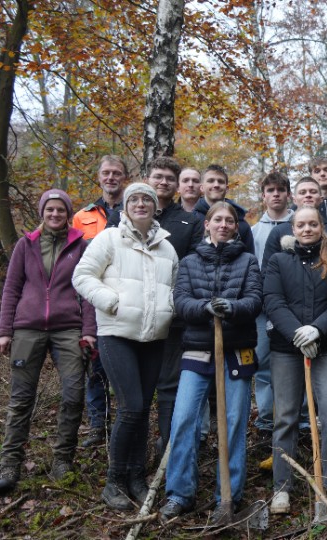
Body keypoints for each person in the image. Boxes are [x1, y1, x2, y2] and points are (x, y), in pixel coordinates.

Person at [72, 182, 178, 510]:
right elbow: (83, 276)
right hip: (117, 334)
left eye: (147, 199)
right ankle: (114, 480)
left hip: (154, 338)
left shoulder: (167, 248)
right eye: (135, 199)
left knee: (143, 409)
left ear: (155, 207)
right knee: (131, 406)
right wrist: (111, 301)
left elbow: (174, 289)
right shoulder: (109, 238)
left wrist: (167, 311)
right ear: (127, 206)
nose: (141, 204)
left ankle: (136, 476)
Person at [159, 202, 263, 522]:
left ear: (235, 227)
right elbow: (181, 302)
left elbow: (255, 300)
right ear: (207, 224)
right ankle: (180, 492)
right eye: (217, 219)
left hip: (236, 352)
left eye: (229, 221)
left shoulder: (247, 261)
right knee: (184, 420)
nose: (223, 224)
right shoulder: (189, 262)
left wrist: (232, 308)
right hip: (198, 351)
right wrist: (205, 307)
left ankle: (228, 497)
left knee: (232, 424)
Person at [0, 190, 96, 496]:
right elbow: (12, 288)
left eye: (60, 210)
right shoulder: (26, 245)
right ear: (42, 212)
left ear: (68, 213)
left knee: (74, 394)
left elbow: (88, 291)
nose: (54, 214)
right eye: (49, 210)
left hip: (69, 329)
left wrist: (89, 330)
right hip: (28, 329)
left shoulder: (81, 245)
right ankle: (9, 463)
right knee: (21, 398)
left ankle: (63, 459)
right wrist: (4, 330)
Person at [106, 157, 203, 454]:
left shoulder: (191, 221)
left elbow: (194, 265)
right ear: (148, 178)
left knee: (168, 387)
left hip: (172, 321)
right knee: (133, 398)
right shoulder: (120, 220)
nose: (163, 183)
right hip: (128, 321)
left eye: (169, 179)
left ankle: (167, 453)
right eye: (158, 177)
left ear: (177, 184)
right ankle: (131, 459)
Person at [264, 206, 327, 514]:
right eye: (301, 224)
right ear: (293, 228)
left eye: (312, 224)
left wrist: (316, 330)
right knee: (286, 417)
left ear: (321, 226)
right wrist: (297, 334)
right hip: (286, 351)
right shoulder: (278, 261)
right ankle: (282, 487)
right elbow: (273, 301)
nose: (307, 229)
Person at [73, 155, 128, 448]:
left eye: (116, 173)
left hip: (124, 294)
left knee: (122, 365)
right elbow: (76, 262)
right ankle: (98, 425)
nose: (111, 178)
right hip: (92, 297)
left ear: (124, 177)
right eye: (106, 173)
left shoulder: (133, 210)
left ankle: (124, 422)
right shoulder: (83, 216)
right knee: (94, 366)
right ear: (99, 177)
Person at [251, 171, 294, 443]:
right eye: (270, 190)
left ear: (288, 193)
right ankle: (267, 420)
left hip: (294, 306)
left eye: (280, 189)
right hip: (262, 307)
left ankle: (298, 419)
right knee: (263, 363)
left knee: (295, 363)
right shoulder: (254, 231)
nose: (276, 194)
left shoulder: (300, 224)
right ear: (263, 195)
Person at [193, 164, 255, 254]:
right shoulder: (192, 221)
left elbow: (250, 260)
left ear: (227, 188)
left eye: (220, 181)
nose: (216, 185)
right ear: (202, 187)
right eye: (211, 181)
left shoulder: (241, 225)